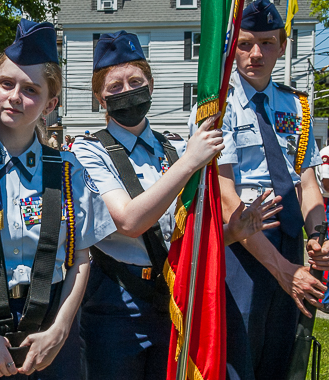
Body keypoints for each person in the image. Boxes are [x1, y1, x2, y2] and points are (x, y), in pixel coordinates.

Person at [72, 31, 284, 380]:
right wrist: (189, 163)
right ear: (100, 98)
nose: (127, 92)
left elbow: (185, 234)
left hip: (175, 294)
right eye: (115, 86)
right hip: (117, 301)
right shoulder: (88, 150)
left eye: (135, 81)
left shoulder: (172, 148)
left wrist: (232, 231)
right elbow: (129, 221)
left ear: (151, 86)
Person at [0, 19, 116, 379]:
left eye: (31, 90)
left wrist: (61, 329)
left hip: (49, 329)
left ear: (50, 104)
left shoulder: (68, 170)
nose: (15, 97)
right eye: (6, 83)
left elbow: (81, 257)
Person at [187, 1, 329, 378]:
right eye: (246, 43)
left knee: (283, 356)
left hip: (289, 242)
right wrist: (284, 270)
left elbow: (308, 182)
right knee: (239, 357)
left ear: (283, 46)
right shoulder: (217, 106)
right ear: (232, 46)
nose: (256, 54)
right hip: (243, 247)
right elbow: (226, 195)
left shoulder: (295, 105)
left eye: (267, 43)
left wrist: (318, 234)